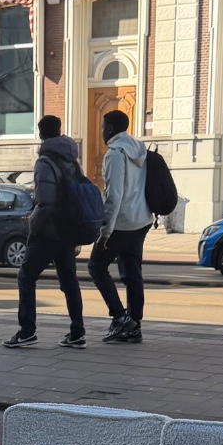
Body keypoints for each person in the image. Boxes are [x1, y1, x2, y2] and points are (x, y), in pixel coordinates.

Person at [3, 114, 86, 349]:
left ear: (40, 134)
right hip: (69, 229)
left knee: (26, 276)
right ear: (59, 131)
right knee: (69, 281)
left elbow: (46, 202)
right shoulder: (71, 159)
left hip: (49, 231)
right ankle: (77, 332)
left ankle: (27, 330)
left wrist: (34, 224)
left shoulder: (45, 162)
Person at [88, 108, 152, 344]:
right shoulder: (140, 149)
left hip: (123, 222)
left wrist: (105, 231)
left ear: (111, 129)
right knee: (133, 274)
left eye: (103, 127)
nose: (102, 131)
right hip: (142, 219)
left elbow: (113, 195)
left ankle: (119, 317)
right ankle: (134, 325)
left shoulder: (115, 154)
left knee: (96, 266)